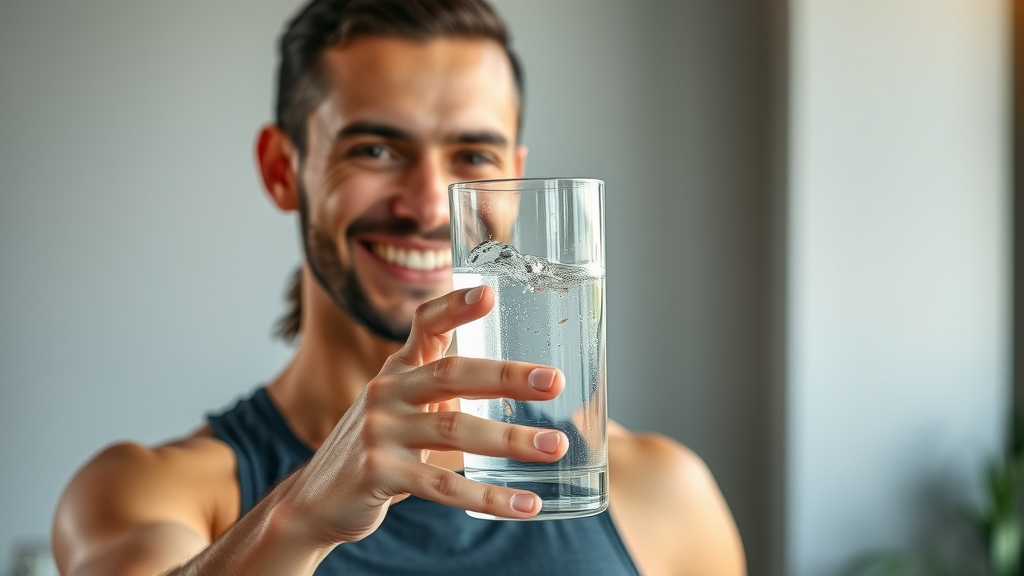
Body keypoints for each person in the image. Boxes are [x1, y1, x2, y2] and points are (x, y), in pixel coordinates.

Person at [52, 1, 746, 574]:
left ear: (516, 171)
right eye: (376, 150)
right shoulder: (151, 491)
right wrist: (299, 517)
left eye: (474, 157)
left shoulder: (660, 492)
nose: (429, 206)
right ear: (281, 169)